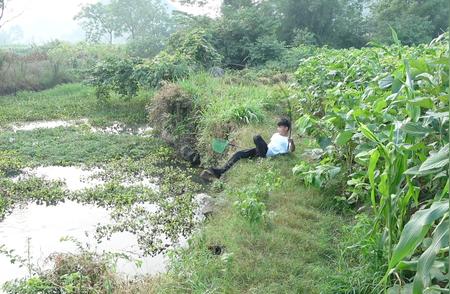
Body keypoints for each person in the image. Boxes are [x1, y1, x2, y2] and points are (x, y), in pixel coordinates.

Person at [201, 118, 295, 179]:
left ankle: (260, 155)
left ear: (286, 128)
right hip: (263, 150)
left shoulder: (288, 140)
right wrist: (259, 148)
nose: (278, 128)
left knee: (257, 137)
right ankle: (220, 171)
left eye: (280, 127)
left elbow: (291, 150)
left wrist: (292, 143)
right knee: (239, 154)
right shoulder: (276, 135)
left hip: (267, 153)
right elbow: (271, 144)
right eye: (278, 126)